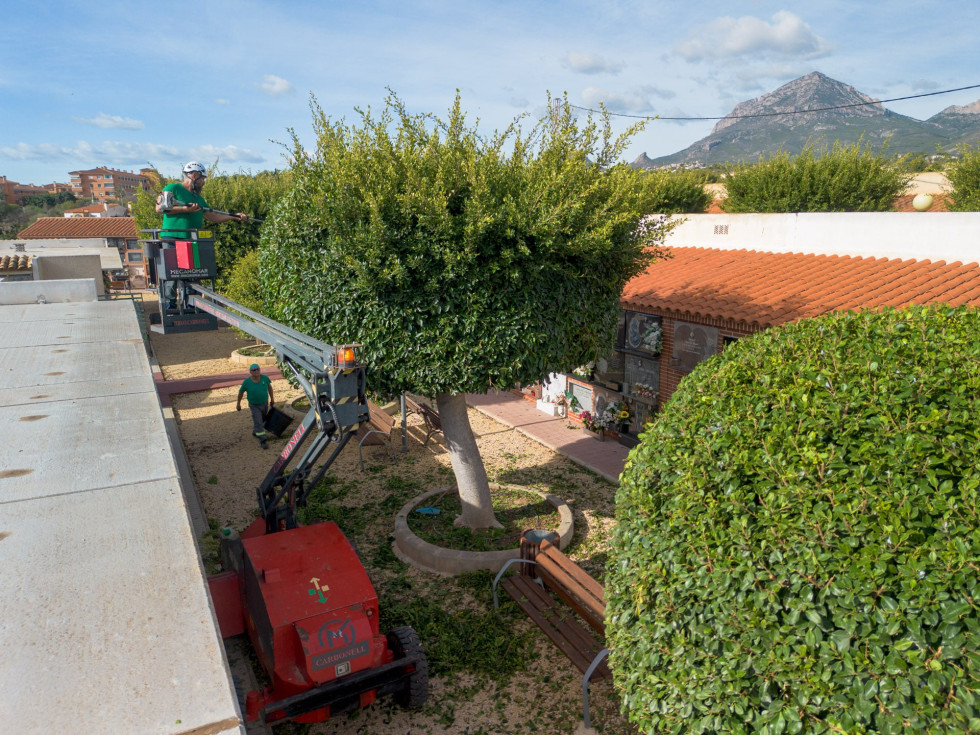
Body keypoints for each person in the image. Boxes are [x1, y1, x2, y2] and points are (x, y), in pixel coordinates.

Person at [154, 161, 249, 307]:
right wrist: (185, 210)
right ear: (194, 175)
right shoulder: (173, 188)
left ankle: (192, 305)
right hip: (172, 237)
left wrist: (234, 216)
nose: (203, 182)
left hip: (191, 240)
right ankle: (169, 306)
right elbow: (160, 208)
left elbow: (213, 216)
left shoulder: (199, 199)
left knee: (193, 274)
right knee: (172, 274)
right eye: (202, 179)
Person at [237, 363, 275, 448]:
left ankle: (255, 431)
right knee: (258, 421)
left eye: (257, 369)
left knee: (262, 419)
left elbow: (270, 388)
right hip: (254, 405)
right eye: (254, 370)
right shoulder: (246, 382)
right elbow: (241, 393)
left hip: (264, 403)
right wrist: (238, 404)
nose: (256, 371)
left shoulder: (265, 378)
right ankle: (263, 440)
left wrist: (272, 399)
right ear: (250, 372)